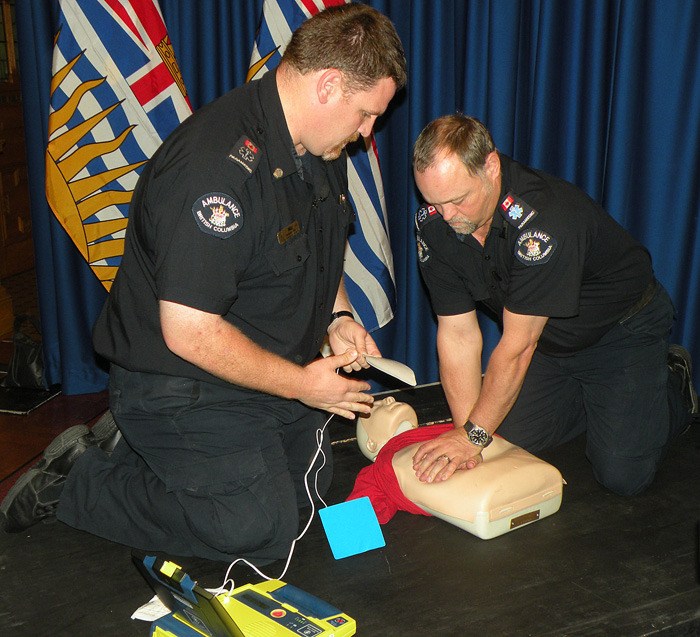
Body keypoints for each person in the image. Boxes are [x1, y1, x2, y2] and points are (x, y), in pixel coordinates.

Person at [0, 4, 407, 564]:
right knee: (256, 531)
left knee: (308, 498)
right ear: (329, 85)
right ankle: (81, 482)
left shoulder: (319, 143)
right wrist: (300, 385)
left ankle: (147, 458)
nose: (368, 133)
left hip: (262, 371)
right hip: (178, 383)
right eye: (366, 114)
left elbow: (321, 245)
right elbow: (189, 332)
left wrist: (337, 319)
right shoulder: (215, 170)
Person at [410, 114, 698, 497]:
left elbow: (516, 348)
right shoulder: (435, 223)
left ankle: (672, 383)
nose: (446, 215)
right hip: (548, 340)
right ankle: (598, 404)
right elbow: (458, 334)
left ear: (490, 167)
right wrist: (471, 438)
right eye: (433, 200)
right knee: (503, 441)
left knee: (622, 475)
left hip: (621, 331)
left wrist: (473, 435)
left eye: (457, 199)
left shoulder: (543, 222)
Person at [349, 397, 563, 539]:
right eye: (376, 407)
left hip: (512, 472)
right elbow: (351, 529)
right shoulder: (380, 469)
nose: (388, 398)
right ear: (372, 445)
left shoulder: (452, 431)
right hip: (490, 495)